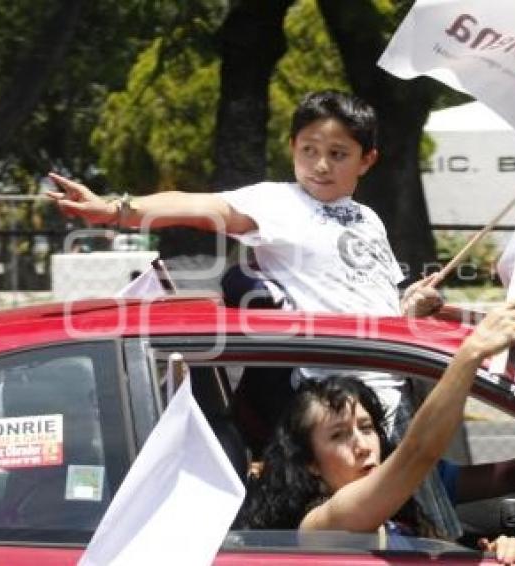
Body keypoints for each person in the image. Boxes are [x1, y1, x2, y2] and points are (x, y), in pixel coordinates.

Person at [49, 89, 459, 533]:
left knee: (425, 531)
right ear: (292, 149)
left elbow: (373, 301)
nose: (321, 165)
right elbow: (202, 206)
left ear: (367, 160)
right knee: (385, 534)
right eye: (309, 150)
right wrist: (116, 210)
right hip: (340, 409)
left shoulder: (369, 220)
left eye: (338, 154)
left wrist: (410, 307)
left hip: (394, 397)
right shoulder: (278, 202)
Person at [237, 300, 515, 565]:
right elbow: (417, 453)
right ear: (311, 466)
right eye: (338, 436)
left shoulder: (398, 516)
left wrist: (512, 555)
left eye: (368, 427)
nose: (361, 445)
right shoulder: (326, 525)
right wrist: (470, 354)